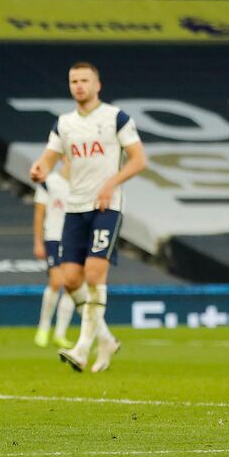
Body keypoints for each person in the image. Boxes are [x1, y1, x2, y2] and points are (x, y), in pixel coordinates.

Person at [29, 61, 146, 373]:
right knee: (70, 280)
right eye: (73, 81)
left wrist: (111, 183)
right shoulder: (64, 123)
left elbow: (138, 160)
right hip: (74, 208)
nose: (78, 85)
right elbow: (49, 157)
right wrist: (40, 166)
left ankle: (82, 347)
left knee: (94, 275)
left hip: (107, 207)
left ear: (98, 85)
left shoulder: (115, 117)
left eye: (84, 80)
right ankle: (105, 338)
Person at [32, 156, 76, 349]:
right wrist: (38, 241)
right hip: (53, 237)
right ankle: (43, 328)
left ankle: (60, 332)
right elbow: (39, 212)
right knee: (56, 282)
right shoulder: (49, 183)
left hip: (73, 239)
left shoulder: (81, 185)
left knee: (71, 285)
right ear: (65, 158)